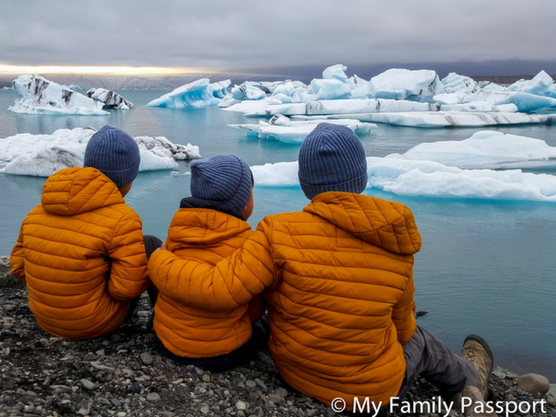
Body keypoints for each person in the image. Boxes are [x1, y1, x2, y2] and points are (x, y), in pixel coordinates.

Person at [148, 123, 493, 412]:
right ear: (361, 178)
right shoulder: (396, 242)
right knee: (421, 339)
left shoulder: (275, 232)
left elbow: (240, 293)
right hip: (371, 394)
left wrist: (161, 258)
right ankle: (472, 381)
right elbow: (402, 331)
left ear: (304, 183)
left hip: (294, 373)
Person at [10, 125, 159, 339]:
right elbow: (125, 290)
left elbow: (17, 268)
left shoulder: (39, 209)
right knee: (151, 244)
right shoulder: (123, 218)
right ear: (129, 178)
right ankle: (163, 319)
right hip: (94, 323)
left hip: (44, 318)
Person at [152, 154, 268, 371]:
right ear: (242, 201)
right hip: (221, 353)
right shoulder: (249, 245)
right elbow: (254, 310)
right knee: (264, 325)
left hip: (166, 342)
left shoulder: (176, 232)